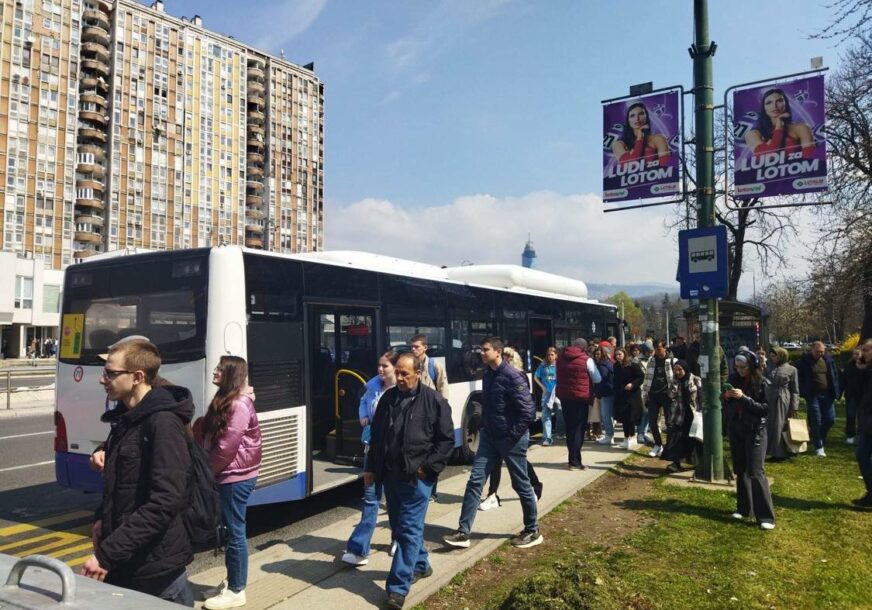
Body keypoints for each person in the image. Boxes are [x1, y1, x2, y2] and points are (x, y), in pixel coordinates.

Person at [82, 338, 195, 605]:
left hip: (156, 573)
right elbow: (121, 486)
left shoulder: (163, 423)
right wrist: (102, 520)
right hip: (129, 563)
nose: (102, 379)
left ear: (137, 377)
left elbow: (164, 502)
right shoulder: (128, 418)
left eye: (110, 373)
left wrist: (106, 555)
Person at [364, 352, 454, 610]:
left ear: (418, 373)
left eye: (405, 373)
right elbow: (377, 436)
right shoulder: (388, 399)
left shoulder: (434, 401)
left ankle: (396, 588)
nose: (400, 378)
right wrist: (371, 468)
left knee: (409, 531)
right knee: (400, 528)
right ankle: (421, 564)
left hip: (417, 478)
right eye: (398, 373)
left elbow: (446, 441)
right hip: (391, 476)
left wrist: (428, 468)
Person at [443, 337, 542, 551]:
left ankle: (532, 530)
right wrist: (484, 428)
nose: (481, 353)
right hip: (489, 437)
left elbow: (528, 412)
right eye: (481, 349)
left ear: (497, 352)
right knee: (475, 481)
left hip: (511, 439)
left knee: (521, 484)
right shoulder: (488, 374)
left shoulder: (513, 376)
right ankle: (463, 532)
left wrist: (511, 435)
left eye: (485, 350)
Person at [195, 356, 261, 610]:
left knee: (235, 533)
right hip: (229, 474)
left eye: (220, 369)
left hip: (235, 476)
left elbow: (225, 447)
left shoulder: (239, 405)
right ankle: (232, 582)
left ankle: (236, 590)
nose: (215, 371)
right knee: (230, 530)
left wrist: (206, 472)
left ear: (231, 374)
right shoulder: (227, 400)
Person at [342, 351, 399, 566]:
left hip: (393, 451)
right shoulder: (373, 384)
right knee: (370, 497)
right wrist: (363, 417)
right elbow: (363, 402)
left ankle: (399, 541)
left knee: (394, 499)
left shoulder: (401, 389)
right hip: (373, 448)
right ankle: (359, 549)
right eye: (379, 365)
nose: (380, 370)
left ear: (395, 367)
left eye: (385, 366)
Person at [478, 347, 543, 511]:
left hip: (512, 431)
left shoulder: (517, 376)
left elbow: (526, 408)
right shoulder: (490, 375)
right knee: (495, 463)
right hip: (496, 430)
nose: (503, 361)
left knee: (519, 468)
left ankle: (534, 486)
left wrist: (514, 433)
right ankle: (492, 494)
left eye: (507, 358)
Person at [723, 351, 775, 530]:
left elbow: (765, 409)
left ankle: (766, 516)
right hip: (737, 428)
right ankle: (744, 508)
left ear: (752, 366)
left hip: (755, 430)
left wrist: (744, 398)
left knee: (756, 471)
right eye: (737, 367)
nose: (740, 371)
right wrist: (727, 397)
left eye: (743, 367)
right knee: (740, 469)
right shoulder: (733, 378)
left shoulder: (762, 382)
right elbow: (728, 404)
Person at [409, 334, 449, 502]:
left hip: (432, 414)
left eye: (416, 347)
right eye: (411, 346)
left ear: (425, 347)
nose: (413, 349)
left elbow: (443, 389)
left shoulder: (435, 366)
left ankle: (431, 490)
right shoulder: (410, 365)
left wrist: (443, 414)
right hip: (415, 413)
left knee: (432, 452)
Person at [555, 338, 602, 470]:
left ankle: (572, 459)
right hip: (581, 398)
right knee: (579, 429)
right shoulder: (587, 360)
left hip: (565, 397)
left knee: (570, 429)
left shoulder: (560, 358)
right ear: (584, 347)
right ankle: (575, 462)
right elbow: (597, 378)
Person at [796, 341, 841, 457]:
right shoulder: (804, 362)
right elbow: (798, 376)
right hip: (813, 395)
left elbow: (834, 375)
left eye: (822, 352)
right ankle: (819, 446)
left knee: (830, 419)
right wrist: (804, 390)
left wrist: (836, 391)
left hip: (827, 395)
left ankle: (820, 436)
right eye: (817, 351)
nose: (820, 354)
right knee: (816, 420)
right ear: (812, 350)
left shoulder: (828, 360)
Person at [744, 88, 815, 159]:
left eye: (779, 101)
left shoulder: (801, 128)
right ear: (764, 108)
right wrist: (779, 128)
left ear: (786, 104)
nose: (774, 106)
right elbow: (769, 158)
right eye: (769, 103)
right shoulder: (752, 135)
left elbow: (810, 158)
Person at [664, 360, 701, 473]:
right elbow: (670, 395)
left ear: (685, 369)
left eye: (680, 369)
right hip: (680, 415)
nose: (678, 372)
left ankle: (698, 463)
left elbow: (702, 395)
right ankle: (676, 463)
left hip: (694, 415)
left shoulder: (695, 380)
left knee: (695, 440)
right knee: (677, 438)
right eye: (675, 370)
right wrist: (674, 385)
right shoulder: (675, 381)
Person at [642, 340, 677, 458]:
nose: (657, 352)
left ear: (665, 348)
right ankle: (658, 444)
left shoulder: (672, 361)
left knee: (669, 423)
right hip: (653, 395)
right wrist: (645, 394)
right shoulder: (651, 360)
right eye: (655, 349)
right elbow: (647, 377)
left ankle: (669, 446)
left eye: (659, 349)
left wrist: (672, 392)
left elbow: (676, 379)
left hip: (667, 396)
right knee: (652, 421)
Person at [764, 346, 800, 460]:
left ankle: (780, 453)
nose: (772, 358)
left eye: (774, 356)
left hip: (782, 398)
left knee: (780, 424)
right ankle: (769, 450)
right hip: (770, 397)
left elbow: (795, 390)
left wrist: (794, 407)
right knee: (769, 424)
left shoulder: (792, 370)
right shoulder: (769, 368)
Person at [611, 101, 671, 167]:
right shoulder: (618, 145)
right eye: (632, 116)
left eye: (641, 114)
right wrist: (639, 138)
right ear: (628, 120)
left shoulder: (658, 139)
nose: (637, 118)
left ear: (646, 117)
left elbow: (666, 166)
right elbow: (630, 166)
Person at [852, 338, 872, 508]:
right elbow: (858, 391)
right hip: (866, 419)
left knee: (863, 454)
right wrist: (860, 369)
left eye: (866, 350)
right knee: (862, 454)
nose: (862, 353)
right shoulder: (865, 369)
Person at [614, 347, 644, 450]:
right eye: (616, 354)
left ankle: (632, 436)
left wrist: (632, 384)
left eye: (620, 354)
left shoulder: (632, 365)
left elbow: (640, 377)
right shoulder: (616, 366)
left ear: (624, 354)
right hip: (621, 395)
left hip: (632, 395)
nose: (618, 356)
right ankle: (626, 438)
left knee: (630, 417)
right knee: (624, 418)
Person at [533, 347, 559, 446]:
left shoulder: (559, 365)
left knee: (560, 412)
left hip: (557, 393)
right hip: (547, 393)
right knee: (546, 416)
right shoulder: (543, 365)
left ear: (556, 355)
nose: (550, 357)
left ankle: (560, 431)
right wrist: (542, 387)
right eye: (548, 355)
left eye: (552, 355)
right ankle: (547, 437)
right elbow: (536, 376)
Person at [841, 347, 864, 445]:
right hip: (851, 395)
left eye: (857, 354)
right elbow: (844, 380)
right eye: (854, 354)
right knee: (851, 416)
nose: (855, 356)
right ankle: (850, 435)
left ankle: (860, 435)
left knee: (861, 417)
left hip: (863, 395)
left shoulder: (865, 366)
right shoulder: (848, 365)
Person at [594, 345, 616, 445]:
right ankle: (609, 434)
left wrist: (598, 393)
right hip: (610, 392)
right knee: (608, 415)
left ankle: (609, 436)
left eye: (598, 354)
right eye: (596, 354)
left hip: (606, 393)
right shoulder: (609, 363)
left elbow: (601, 380)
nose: (596, 356)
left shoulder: (602, 365)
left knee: (606, 415)